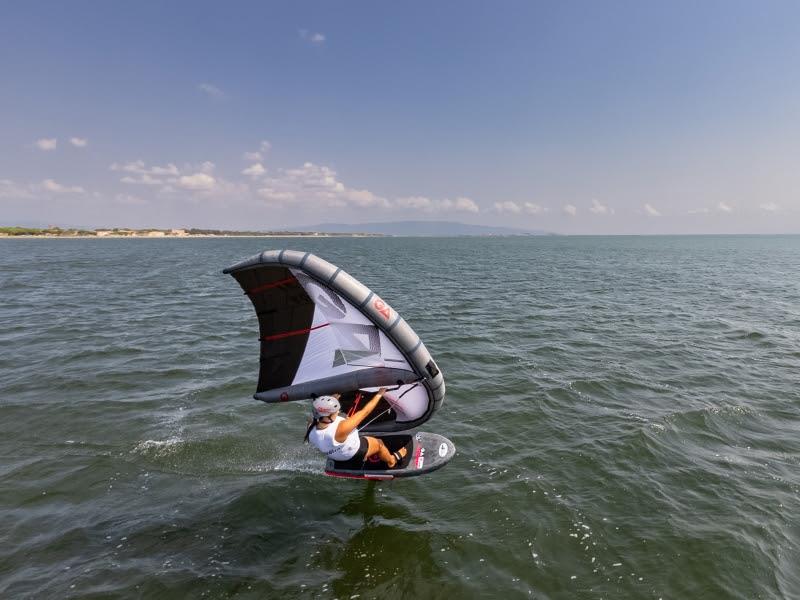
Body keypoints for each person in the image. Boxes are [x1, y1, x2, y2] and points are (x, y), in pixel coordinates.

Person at [304, 388, 407, 468]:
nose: (338, 412)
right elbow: (365, 412)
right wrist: (380, 393)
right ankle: (391, 461)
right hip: (352, 454)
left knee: (346, 420)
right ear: (328, 416)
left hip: (333, 455)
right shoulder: (341, 428)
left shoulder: (311, 423)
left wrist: (333, 399)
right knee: (379, 443)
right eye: (335, 412)